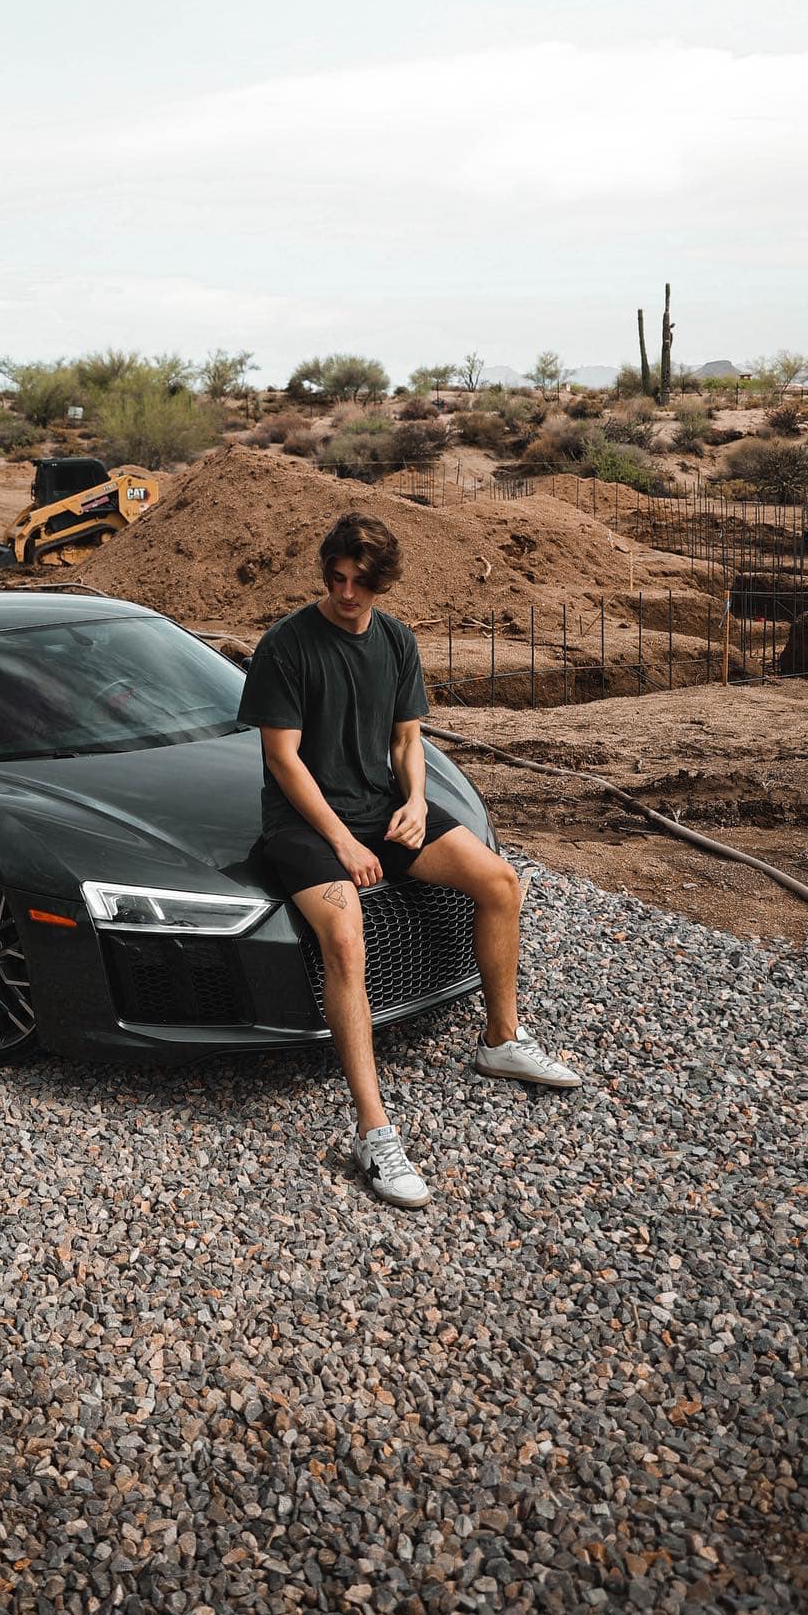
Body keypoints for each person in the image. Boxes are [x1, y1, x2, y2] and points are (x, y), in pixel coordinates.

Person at [238, 512, 579, 1209]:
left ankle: (500, 1039)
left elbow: (406, 740)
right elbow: (282, 758)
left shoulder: (396, 639)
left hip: (383, 809)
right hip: (304, 824)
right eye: (337, 578)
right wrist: (342, 840)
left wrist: (418, 801)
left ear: (382, 582)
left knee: (500, 881)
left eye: (361, 583)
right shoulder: (286, 645)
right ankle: (374, 1132)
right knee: (345, 937)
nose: (346, 594)